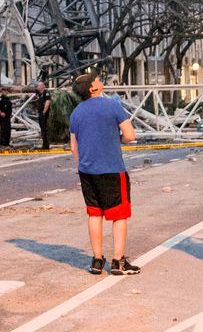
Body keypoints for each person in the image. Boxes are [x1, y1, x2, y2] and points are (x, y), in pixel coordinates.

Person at [69, 72, 140, 276]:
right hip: (111, 169)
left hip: (87, 171)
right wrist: (115, 139)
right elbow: (130, 135)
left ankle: (97, 261)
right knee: (119, 215)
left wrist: (83, 165)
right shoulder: (112, 106)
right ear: (93, 88)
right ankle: (118, 262)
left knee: (94, 213)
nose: (100, 81)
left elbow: (74, 147)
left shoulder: (76, 112)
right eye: (97, 80)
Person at [35, 81, 52, 150]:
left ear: (42, 86)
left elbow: (47, 102)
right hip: (41, 113)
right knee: (42, 129)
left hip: (44, 114)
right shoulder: (39, 94)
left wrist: (44, 112)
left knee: (45, 129)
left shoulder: (46, 93)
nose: (38, 87)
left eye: (39, 86)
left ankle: (46, 145)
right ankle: (44, 144)